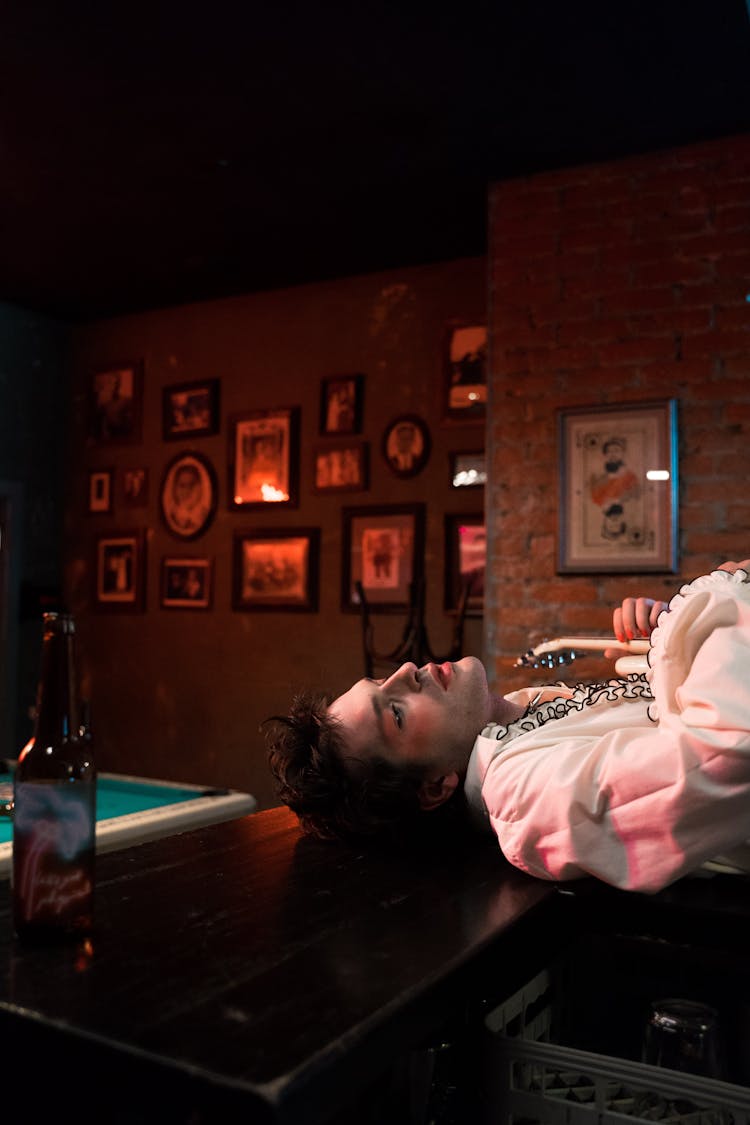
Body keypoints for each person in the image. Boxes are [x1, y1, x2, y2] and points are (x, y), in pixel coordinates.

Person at [265, 560, 750, 893]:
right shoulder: (524, 796)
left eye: (380, 679)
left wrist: (670, 644)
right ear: (435, 788)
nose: (405, 672)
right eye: (395, 713)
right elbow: (724, 751)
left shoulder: (519, 716)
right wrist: (722, 597)